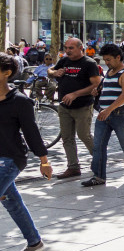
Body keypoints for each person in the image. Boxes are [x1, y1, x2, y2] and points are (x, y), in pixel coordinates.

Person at [0, 53, 53, 251]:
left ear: (7, 73)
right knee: (12, 202)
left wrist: (44, 161)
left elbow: (31, 133)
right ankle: (34, 242)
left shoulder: (20, 101)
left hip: (11, 159)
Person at [83, 44, 124, 187]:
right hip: (104, 114)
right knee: (98, 146)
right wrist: (97, 92)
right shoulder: (108, 73)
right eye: (105, 60)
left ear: (118, 57)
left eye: (109, 60)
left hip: (120, 114)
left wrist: (108, 109)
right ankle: (98, 176)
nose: (106, 63)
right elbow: (107, 90)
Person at [48, 38, 101, 179]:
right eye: (66, 48)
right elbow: (49, 70)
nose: (67, 51)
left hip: (82, 106)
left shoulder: (89, 63)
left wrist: (75, 94)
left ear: (80, 48)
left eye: (71, 48)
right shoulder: (64, 61)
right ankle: (73, 167)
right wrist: (54, 73)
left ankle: (100, 161)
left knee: (84, 135)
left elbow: (96, 83)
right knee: (66, 137)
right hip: (64, 106)